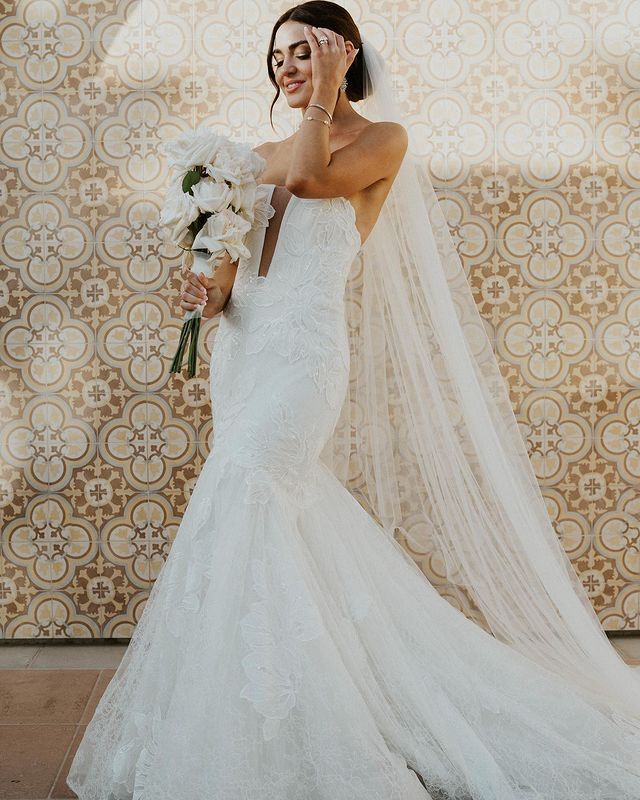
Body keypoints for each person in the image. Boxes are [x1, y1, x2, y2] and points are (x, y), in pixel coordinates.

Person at [66, 3, 640, 799]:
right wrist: (205, 292)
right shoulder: (250, 155)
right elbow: (231, 279)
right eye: (279, 57)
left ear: (343, 55)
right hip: (244, 355)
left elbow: (309, 180)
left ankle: (292, 721)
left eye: (305, 52)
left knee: (250, 492)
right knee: (275, 518)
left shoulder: (380, 143)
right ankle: (265, 710)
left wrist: (330, 97)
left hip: (303, 356)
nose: (289, 68)